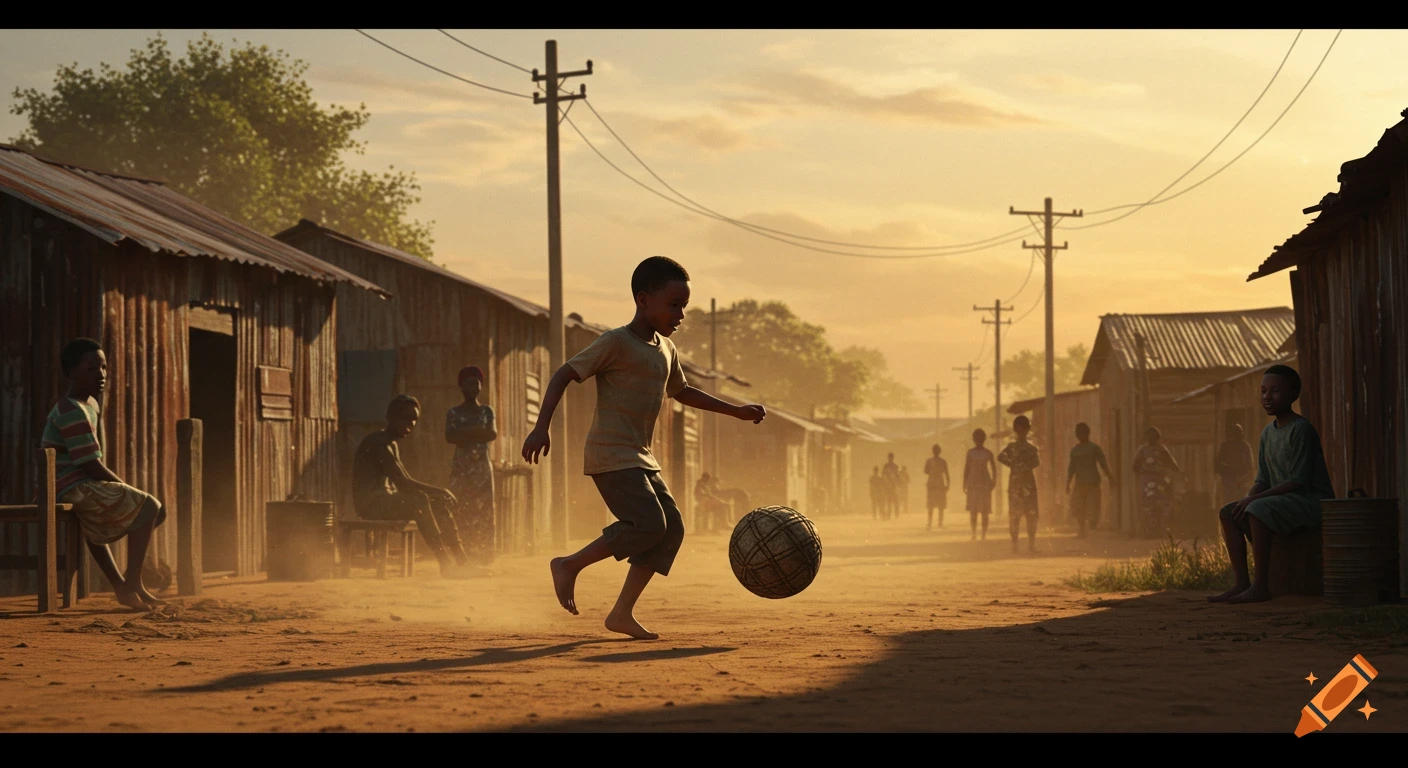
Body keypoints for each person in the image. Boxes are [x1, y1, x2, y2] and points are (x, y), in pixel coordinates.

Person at [524, 256, 766, 640]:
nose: (681, 314)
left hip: (641, 458)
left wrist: (734, 411)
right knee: (650, 524)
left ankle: (621, 613)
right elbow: (564, 374)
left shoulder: (666, 350)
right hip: (610, 454)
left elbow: (682, 391)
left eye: (684, 306)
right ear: (643, 300)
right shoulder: (615, 342)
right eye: (673, 305)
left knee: (671, 530)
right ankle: (569, 565)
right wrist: (541, 427)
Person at [40, 338, 168, 611]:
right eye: (92, 369)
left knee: (141, 509)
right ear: (72, 372)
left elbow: (90, 462)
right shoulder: (70, 410)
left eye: (103, 367)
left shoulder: (90, 405)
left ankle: (125, 585)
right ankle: (131, 583)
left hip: (79, 483)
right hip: (67, 485)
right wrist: (123, 486)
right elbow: (88, 463)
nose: (101, 374)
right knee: (151, 506)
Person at [1209, 365, 1335, 605]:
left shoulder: (1301, 429)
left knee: (1257, 509)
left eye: (1275, 391)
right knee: (1228, 512)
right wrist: (1246, 498)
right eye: (1264, 391)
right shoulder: (1268, 433)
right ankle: (1241, 583)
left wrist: (1254, 502)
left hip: (1309, 500)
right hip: (1281, 501)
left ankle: (1261, 586)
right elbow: (1263, 479)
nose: (1267, 396)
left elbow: (1298, 480)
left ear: (1293, 394)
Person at [354, 395, 471, 578]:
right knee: (420, 500)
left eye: (414, 419)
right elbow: (403, 483)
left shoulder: (391, 443)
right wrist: (442, 490)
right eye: (405, 418)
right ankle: (445, 562)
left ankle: (462, 561)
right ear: (390, 417)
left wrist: (439, 496)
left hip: (385, 500)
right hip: (370, 504)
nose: (411, 424)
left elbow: (405, 480)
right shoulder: (378, 443)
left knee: (437, 503)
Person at [445, 365, 497, 565]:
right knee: (461, 508)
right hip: (461, 469)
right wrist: (477, 432)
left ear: (480, 386)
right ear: (461, 387)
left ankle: (484, 556)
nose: (472, 387)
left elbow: (491, 434)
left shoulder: (487, 411)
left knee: (484, 511)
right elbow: (450, 436)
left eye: (475, 383)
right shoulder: (454, 412)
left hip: (482, 469)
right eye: (468, 383)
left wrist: (464, 433)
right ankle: (463, 555)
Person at [998, 415, 1041, 554]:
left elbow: (1036, 462)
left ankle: (1030, 545)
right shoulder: (1012, 447)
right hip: (1019, 484)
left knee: (1030, 515)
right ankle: (1016, 545)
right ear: (1016, 429)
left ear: (1027, 429)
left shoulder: (1030, 448)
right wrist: (1014, 465)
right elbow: (1000, 457)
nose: (1022, 431)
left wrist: (1019, 466)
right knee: (1016, 515)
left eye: (1024, 428)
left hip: (1025, 484)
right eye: (1019, 428)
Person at [1067, 422, 1116, 538]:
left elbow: (1103, 463)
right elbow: (1071, 468)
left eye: (1083, 433)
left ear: (1088, 434)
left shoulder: (1094, 448)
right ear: (1077, 435)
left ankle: (1092, 525)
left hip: (1093, 481)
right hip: (1080, 483)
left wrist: (1110, 477)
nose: (1081, 435)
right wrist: (1067, 483)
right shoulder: (1075, 451)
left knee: (1094, 505)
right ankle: (1082, 530)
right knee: (1079, 507)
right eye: (1079, 433)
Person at [1132, 426, 1180, 538]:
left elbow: (1172, 464)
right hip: (1146, 482)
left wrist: (1171, 476)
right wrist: (1142, 474)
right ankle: (1148, 531)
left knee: (1162, 505)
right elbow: (1135, 465)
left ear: (1158, 438)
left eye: (1154, 436)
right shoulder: (1142, 450)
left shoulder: (1162, 449)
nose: (1151, 439)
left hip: (1160, 481)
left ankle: (1161, 531)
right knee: (1147, 506)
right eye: (1149, 436)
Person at [963, 429, 996, 541]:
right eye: (976, 438)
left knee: (985, 511)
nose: (978, 440)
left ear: (983, 439)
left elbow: (994, 468)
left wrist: (993, 481)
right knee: (973, 511)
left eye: (980, 438)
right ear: (973, 439)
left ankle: (983, 534)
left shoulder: (988, 453)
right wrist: (964, 482)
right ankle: (974, 533)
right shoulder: (970, 453)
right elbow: (966, 468)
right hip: (973, 483)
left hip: (984, 484)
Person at [1215, 423, 1255, 508]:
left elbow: (1250, 466)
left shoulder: (1245, 446)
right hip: (1229, 482)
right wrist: (1228, 478)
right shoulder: (1226, 446)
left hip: (1242, 482)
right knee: (1230, 504)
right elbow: (1219, 465)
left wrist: (1242, 479)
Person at [924, 444, 950, 530]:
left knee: (936, 505)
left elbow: (926, 471)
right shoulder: (942, 461)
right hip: (936, 484)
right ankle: (935, 522)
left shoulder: (930, 461)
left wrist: (948, 484)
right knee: (935, 505)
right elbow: (946, 474)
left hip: (934, 484)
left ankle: (934, 522)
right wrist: (947, 484)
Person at [882, 453, 901, 518]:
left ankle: (896, 514)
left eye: (891, 457)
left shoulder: (895, 466)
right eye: (890, 457)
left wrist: (898, 484)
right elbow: (883, 475)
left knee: (895, 500)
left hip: (894, 485)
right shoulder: (886, 466)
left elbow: (898, 476)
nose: (891, 459)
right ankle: (889, 514)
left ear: (893, 458)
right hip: (888, 485)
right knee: (889, 500)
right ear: (888, 458)